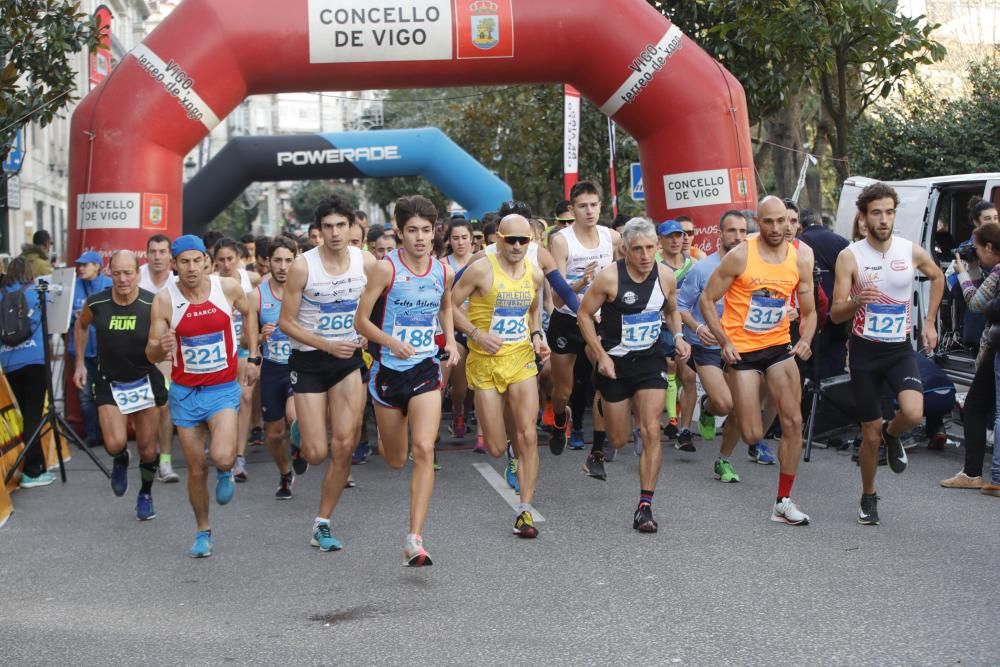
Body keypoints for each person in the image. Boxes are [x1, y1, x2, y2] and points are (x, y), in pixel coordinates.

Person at [829, 182, 943, 525]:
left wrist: (930, 322)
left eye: (889, 212)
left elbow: (937, 276)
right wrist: (855, 302)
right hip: (864, 354)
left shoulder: (909, 251)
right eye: (876, 212)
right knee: (869, 434)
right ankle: (868, 495)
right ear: (864, 217)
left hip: (898, 350)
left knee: (912, 412)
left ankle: (894, 435)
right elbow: (834, 313)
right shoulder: (850, 256)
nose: (883, 219)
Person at [700, 196, 817, 525]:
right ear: (758, 222)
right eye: (769, 222)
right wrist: (724, 341)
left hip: (779, 346)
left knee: (793, 422)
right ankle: (713, 404)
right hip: (743, 351)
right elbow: (707, 300)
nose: (778, 228)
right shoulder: (741, 256)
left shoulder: (800, 259)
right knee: (752, 433)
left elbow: (809, 312)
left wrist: (806, 338)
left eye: (784, 221)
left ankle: (783, 501)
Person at [354, 195, 458, 565]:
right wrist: (390, 341)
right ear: (399, 232)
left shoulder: (443, 270)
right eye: (411, 230)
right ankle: (386, 436)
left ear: (435, 233)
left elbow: (446, 305)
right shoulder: (386, 269)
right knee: (396, 459)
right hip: (387, 372)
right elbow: (361, 321)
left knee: (425, 448)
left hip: (425, 367)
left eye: (426, 231)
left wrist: (451, 341)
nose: (419, 238)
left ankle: (414, 538)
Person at [146, 235, 259, 558]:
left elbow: (249, 311)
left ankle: (226, 470)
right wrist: (161, 346)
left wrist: (253, 355)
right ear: (174, 265)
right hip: (185, 393)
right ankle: (202, 531)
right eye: (184, 262)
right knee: (196, 468)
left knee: (222, 457)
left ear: (206, 263)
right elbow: (151, 352)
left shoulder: (227, 288)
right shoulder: (164, 301)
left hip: (222, 390)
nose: (191, 268)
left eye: (197, 261)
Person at [577, 219, 690, 532]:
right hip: (615, 363)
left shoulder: (665, 275)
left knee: (651, 428)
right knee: (619, 438)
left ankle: (645, 506)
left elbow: (671, 310)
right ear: (625, 248)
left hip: (650, 360)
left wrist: (678, 336)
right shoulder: (610, 278)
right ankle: (603, 406)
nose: (644, 255)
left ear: (657, 246)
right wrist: (600, 355)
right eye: (637, 248)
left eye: (650, 248)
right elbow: (584, 315)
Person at [452, 214, 549, 538]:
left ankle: (525, 510)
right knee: (494, 445)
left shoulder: (534, 274)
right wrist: (475, 333)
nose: (518, 246)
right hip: (484, 363)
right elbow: (448, 305)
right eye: (512, 240)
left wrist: (537, 335)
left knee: (529, 435)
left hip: (520, 359)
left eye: (524, 240)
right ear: (499, 239)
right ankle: (507, 450)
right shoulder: (481, 268)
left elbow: (534, 308)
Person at [279, 196, 367, 553]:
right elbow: (285, 323)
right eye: (327, 227)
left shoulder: (365, 260)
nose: (334, 233)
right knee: (316, 453)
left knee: (344, 444)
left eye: (340, 226)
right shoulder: (303, 267)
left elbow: (377, 300)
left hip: (347, 360)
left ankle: (322, 523)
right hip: (310, 362)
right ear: (318, 231)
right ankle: (300, 430)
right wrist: (326, 344)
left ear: (351, 228)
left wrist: (366, 329)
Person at [73, 251, 167, 520]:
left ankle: (145, 494)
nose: (123, 279)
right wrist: (80, 363)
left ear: (138, 273)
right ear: (108, 273)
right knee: (114, 443)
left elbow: (168, 335)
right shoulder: (97, 302)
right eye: (117, 273)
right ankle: (121, 458)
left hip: (144, 381)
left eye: (128, 273)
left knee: (148, 448)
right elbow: (80, 327)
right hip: (110, 382)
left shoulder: (154, 303)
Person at [546, 180, 621, 454]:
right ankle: (558, 420)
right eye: (582, 206)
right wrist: (578, 285)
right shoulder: (561, 241)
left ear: (600, 206)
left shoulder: (611, 237)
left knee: (605, 376)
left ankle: (600, 446)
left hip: (598, 320)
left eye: (593, 205)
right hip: (567, 321)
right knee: (563, 391)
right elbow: (556, 297)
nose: (589, 211)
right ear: (572, 209)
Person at [940, 222, 1000, 490]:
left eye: (977, 248)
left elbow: (976, 304)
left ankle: (975, 473)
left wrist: (963, 272)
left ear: (989, 247)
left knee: (976, 406)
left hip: (996, 345)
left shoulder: (998, 271)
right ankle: (974, 472)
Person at [1, 258, 54, 488]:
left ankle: (31, 465)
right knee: (34, 415)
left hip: (8, 363)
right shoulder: (36, 292)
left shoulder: (1, 295)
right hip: (34, 359)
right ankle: (33, 472)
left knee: (23, 413)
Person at [212, 239, 262, 482]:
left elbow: (257, 308)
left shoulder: (249, 279)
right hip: (217, 351)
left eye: (229, 258)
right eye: (220, 259)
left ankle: (239, 456)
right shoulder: (209, 282)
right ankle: (223, 447)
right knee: (224, 401)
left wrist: (255, 345)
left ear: (238, 258)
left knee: (245, 396)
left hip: (241, 347)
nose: (225, 264)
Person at [256, 236, 298, 499]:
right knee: (274, 434)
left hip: (299, 366)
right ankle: (285, 472)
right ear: (267, 262)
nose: (283, 266)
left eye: (288, 260)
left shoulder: (305, 290)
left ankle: (301, 448)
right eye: (278, 260)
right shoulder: (257, 295)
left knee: (294, 418)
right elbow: (245, 340)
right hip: (272, 368)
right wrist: (260, 337)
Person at [139, 233, 180, 483]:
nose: (157, 257)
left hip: (165, 353)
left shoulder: (177, 283)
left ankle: (165, 461)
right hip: (136, 352)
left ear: (169, 256)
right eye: (153, 251)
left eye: (162, 252)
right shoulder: (137, 277)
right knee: (145, 408)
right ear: (146, 254)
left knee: (165, 407)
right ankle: (147, 455)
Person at [657, 220, 697, 445]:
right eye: (669, 236)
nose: (675, 240)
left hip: (687, 328)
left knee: (689, 377)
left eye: (679, 235)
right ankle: (668, 418)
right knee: (669, 368)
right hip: (659, 327)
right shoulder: (652, 262)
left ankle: (683, 430)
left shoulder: (694, 264)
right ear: (660, 240)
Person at [68, 251, 113, 449]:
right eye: (79, 265)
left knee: (107, 394)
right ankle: (91, 435)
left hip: (105, 350)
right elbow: (67, 316)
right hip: (82, 352)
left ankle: (110, 435)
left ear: (97, 266)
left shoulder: (108, 285)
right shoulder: (73, 287)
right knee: (85, 396)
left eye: (85, 265)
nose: (81, 268)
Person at [443, 218, 474, 438]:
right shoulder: (443, 265)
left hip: (482, 329)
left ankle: (483, 430)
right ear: (449, 240)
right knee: (461, 388)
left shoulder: (482, 261)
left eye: (464, 237)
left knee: (480, 386)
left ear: (472, 238)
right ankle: (458, 411)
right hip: (456, 332)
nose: (460, 242)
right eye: (455, 238)